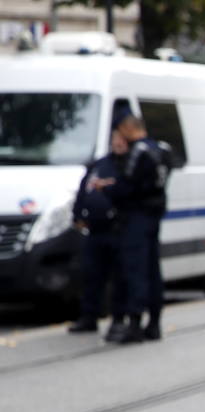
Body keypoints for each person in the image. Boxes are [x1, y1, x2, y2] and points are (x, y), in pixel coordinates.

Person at [98, 111, 171, 344]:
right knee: (152, 270)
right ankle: (155, 322)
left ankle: (135, 323)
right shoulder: (162, 149)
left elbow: (127, 185)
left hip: (135, 216)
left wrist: (107, 188)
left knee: (134, 270)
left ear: (128, 129)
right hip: (154, 215)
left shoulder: (138, 152)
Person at [68, 130, 129, 335]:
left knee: (119, 277)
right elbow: (83, 190)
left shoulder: (128, 166)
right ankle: (89, 316)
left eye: (122, 140)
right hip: (95, 229)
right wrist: (78, 215)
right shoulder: (99, 165)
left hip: (117, 229)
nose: (118, 144)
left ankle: (119, 318)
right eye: (115, 140)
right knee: (91, 275)